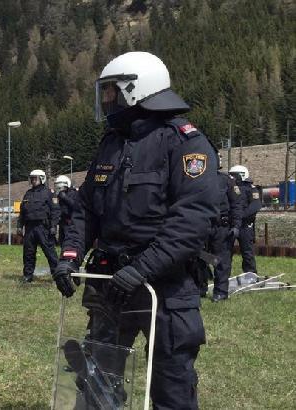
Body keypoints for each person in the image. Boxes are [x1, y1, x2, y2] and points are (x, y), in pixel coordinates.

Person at [53, 51, 219, 408]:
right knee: (98, 377)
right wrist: (69, 256)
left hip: (166, 285)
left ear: (136, 90)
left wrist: (141, 268)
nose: (107, 100)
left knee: (172, 384)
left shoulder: (186, 144)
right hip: (111, 283)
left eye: (112, 92)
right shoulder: (111, 144)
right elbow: (85, 209)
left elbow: (190, 222)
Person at [205, 159, 243, 302]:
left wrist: (236, 225)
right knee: (201, 256)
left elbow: (236, 204)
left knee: (222, 260)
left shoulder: (227, 181)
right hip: (203, 225)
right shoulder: (198, 180)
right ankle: (201, 287)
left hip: (222, 227)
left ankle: (220, 292)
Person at [17, 169, 59, 283]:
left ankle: (57, 275)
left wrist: (53, 226)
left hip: (43, 227)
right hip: (30, 228)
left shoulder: (49, 193)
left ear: (42, 179)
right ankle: (28, 275)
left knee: (50, 252)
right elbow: (22, 212)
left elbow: (55, 211)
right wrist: (19, 226)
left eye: (35, 178)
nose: (33, 181)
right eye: (32, 178)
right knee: (28, 253)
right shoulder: (28, 194)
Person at [229, 165, 261, 275]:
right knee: (226, 251)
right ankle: (224, 274)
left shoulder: (251, 189)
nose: (232, 177)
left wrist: (240, 216)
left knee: (247, 251)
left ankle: (250, 273)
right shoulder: (229, 188)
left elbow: (255, 205)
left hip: (245, 225)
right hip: (231, 224)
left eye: (234, 175)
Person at [54, 175, 78, 246]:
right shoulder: (60, 195)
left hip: (70, 222)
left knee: (69, 242)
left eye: (60, 186)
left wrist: (65, 198)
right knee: (62, 242)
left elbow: (76, 206)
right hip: (62, 221)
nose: (59, 188)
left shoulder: (73, 193)